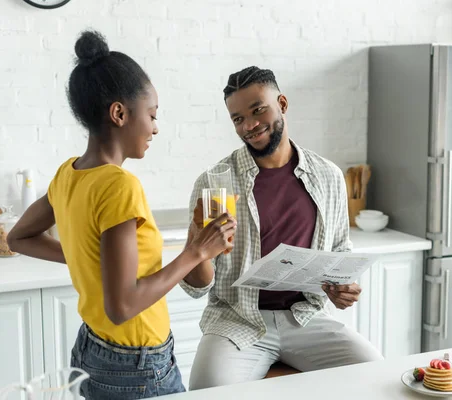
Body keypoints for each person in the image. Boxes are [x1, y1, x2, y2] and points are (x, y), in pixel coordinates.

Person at [7, 30, 236, 399]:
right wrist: (196, 252)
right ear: (119, 113)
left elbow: (19, 237)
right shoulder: (119, 186)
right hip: (136, 367)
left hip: (93, 348)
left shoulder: (69, 173)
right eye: (152, 114)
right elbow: (123, 306)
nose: (156, 127)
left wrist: (87, 257)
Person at [181, 66, 383, 390]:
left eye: (257, 110)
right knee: (205, 392)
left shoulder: (328, 176)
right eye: (237, 119)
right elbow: (196, 287)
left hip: (306, 318)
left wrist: (344, 286)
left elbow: (340, 249)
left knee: (377, 377)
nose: (249, 125)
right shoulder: (215, 182)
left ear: (283, 104)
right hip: (237, 321)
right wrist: (198, 250)